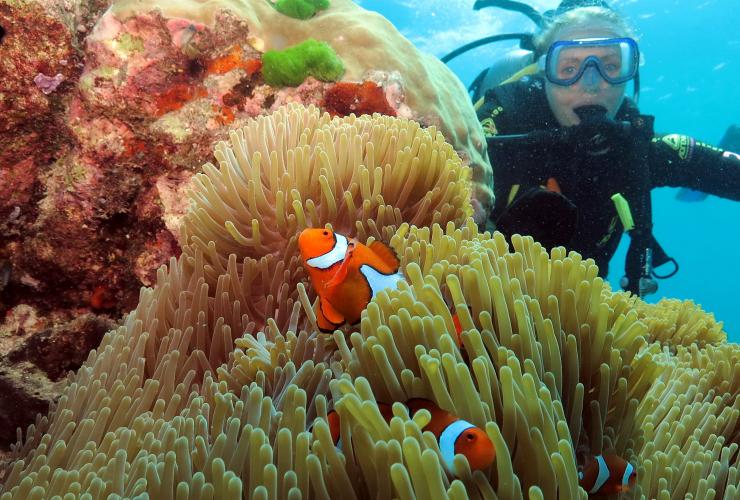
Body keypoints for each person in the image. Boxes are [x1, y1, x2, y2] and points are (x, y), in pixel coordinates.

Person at [475, 0, 740, 296]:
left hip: (578, 327)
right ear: (544, 71)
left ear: (631, 73)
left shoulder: (635, 147)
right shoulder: (506, 119)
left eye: (611, 66)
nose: (591, 84)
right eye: (569, 67)